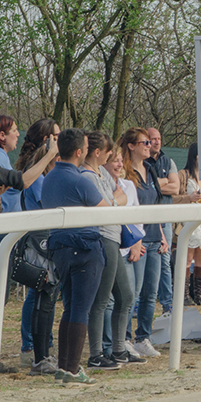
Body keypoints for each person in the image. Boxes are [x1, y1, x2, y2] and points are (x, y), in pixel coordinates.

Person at [42, 128, 110, 385]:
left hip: (59, 248)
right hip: (84, 248)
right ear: (80, 152)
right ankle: (71, 369)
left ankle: (64, 367)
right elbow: (107, 212)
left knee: (69, 308)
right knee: (81, 309)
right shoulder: (81, 180)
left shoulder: (49, 178)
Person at [4, 120, 60, 373]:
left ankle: (39, 348)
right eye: (57, 136)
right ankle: (32, 349)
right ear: (47, 139)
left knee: (41, 293)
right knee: (39, 291)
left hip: (44, 236)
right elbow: (45, 201)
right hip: (37, 239)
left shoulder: (42, 169)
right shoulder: (35, 170)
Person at [83, 131, 127, 371]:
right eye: (109, 151)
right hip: (103, 237)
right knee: (101, 300)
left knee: (126, 295)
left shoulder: (102, 173)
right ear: (98, 152)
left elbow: (121, 195)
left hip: (115, 237)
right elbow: (107, 204)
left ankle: (118, 349)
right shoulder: (87, 176)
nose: (113, 156)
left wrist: (112, 201)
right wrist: (113, 201)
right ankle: (96, 353)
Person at [120, 127, 165, 359]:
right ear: (131, 146)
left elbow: (154, 204)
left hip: (154, 237)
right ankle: (124, 338)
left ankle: (143, 337)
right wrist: (135, 240)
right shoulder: (125, 173)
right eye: (144, 142)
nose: (149, 146)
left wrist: (163, 235)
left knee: (151, 292)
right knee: (133, 292)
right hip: (136, 239)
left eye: (149, 142)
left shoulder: (150, 169)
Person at [104, 148, 146, 366]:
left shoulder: (129, 185)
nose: (119, 165)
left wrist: (136, 244)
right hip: (108, 246)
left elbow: (136, 215)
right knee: (108, 301)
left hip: (126, 247)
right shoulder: (99, 182)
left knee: (129, 297)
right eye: (114, 161)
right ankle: (107, 346)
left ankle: (121, 345)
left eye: (121, 161)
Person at [146, 127, 179, 317]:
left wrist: (154, 184)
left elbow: (175, 188)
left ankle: (168, 304)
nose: (157, 142)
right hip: (146, 219)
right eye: (152, 139)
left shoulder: (169, 161)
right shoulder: (141, 162)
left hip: (165, 218)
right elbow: (141, 186)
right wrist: (164, 182)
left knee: (165, 261)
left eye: (159, 138)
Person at [181, 143, 201, 306]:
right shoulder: (185, 175)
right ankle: (184, 294)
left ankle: (199, 294)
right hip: (191, 218)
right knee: (187, 257)